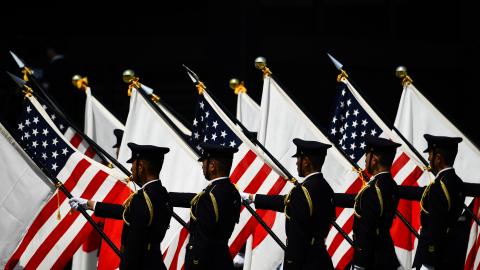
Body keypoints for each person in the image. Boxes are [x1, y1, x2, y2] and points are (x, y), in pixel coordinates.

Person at [69, 143, 172, 270]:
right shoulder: (163, 194)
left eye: (133, 164)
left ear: (140, 166)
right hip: (155, 262)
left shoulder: (142, 199)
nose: (131, 169)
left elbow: (134, 244)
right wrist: (90, 205)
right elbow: (129, 212)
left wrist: (124, 267)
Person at [243, 138, 335, 269]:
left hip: (303, 262)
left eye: (298, 159)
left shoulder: (302, 191)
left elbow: (297, 236)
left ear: (306, 162)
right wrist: (252, 198)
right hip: (321, 259)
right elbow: (287, 202)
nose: (297, 163)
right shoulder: (325, 188)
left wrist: (290, 263)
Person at [169, 143, 241, 270]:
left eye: (204, 162)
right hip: (222, 260)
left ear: (212, 166)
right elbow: (197, 199)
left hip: (204, 264)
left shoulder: (210, 195)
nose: (202, 166)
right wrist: (165, 196)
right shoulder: (232, 191)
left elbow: (202, 241)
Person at [398, 134, 464, 270]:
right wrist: (394, 189)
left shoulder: (439, 186)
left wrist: (427, 263)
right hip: (450, 253)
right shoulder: (457, 182)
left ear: (438, 158)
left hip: (431, 257)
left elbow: (436, 226)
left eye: (430, 154)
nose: (428, 158)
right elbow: (422, 193)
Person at [335, 135, 401, 270]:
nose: (365, 160)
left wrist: (359, 264)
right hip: (385, 254)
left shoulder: (373, 190)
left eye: (366, 155)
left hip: (371, 259)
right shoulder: (390, 185)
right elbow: (358, 200)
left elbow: (367, 231)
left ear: (374, 159)